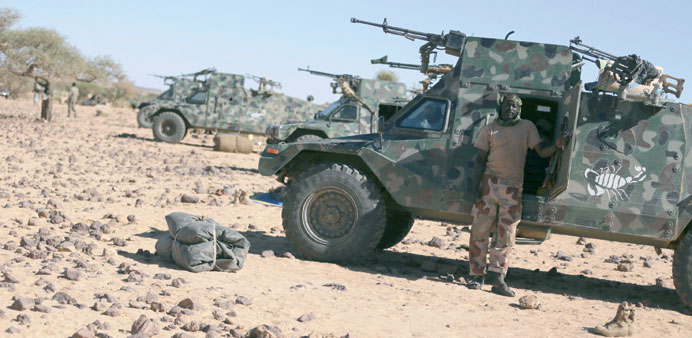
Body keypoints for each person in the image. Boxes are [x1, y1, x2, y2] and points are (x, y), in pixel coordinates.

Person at [467, 94, 567, 297]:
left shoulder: (527, 127)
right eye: (506, 106)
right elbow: (480, 159)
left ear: (519, 109)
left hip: (513, 188)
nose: (509, 109)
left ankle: (498, 279)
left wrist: (557, 146)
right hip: (489, 184)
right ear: (500, 107)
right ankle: (476, 276)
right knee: (480, 232)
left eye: (514, 106)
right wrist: (475, 187)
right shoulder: (490, 129)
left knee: (506, 235)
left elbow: (541, 151)